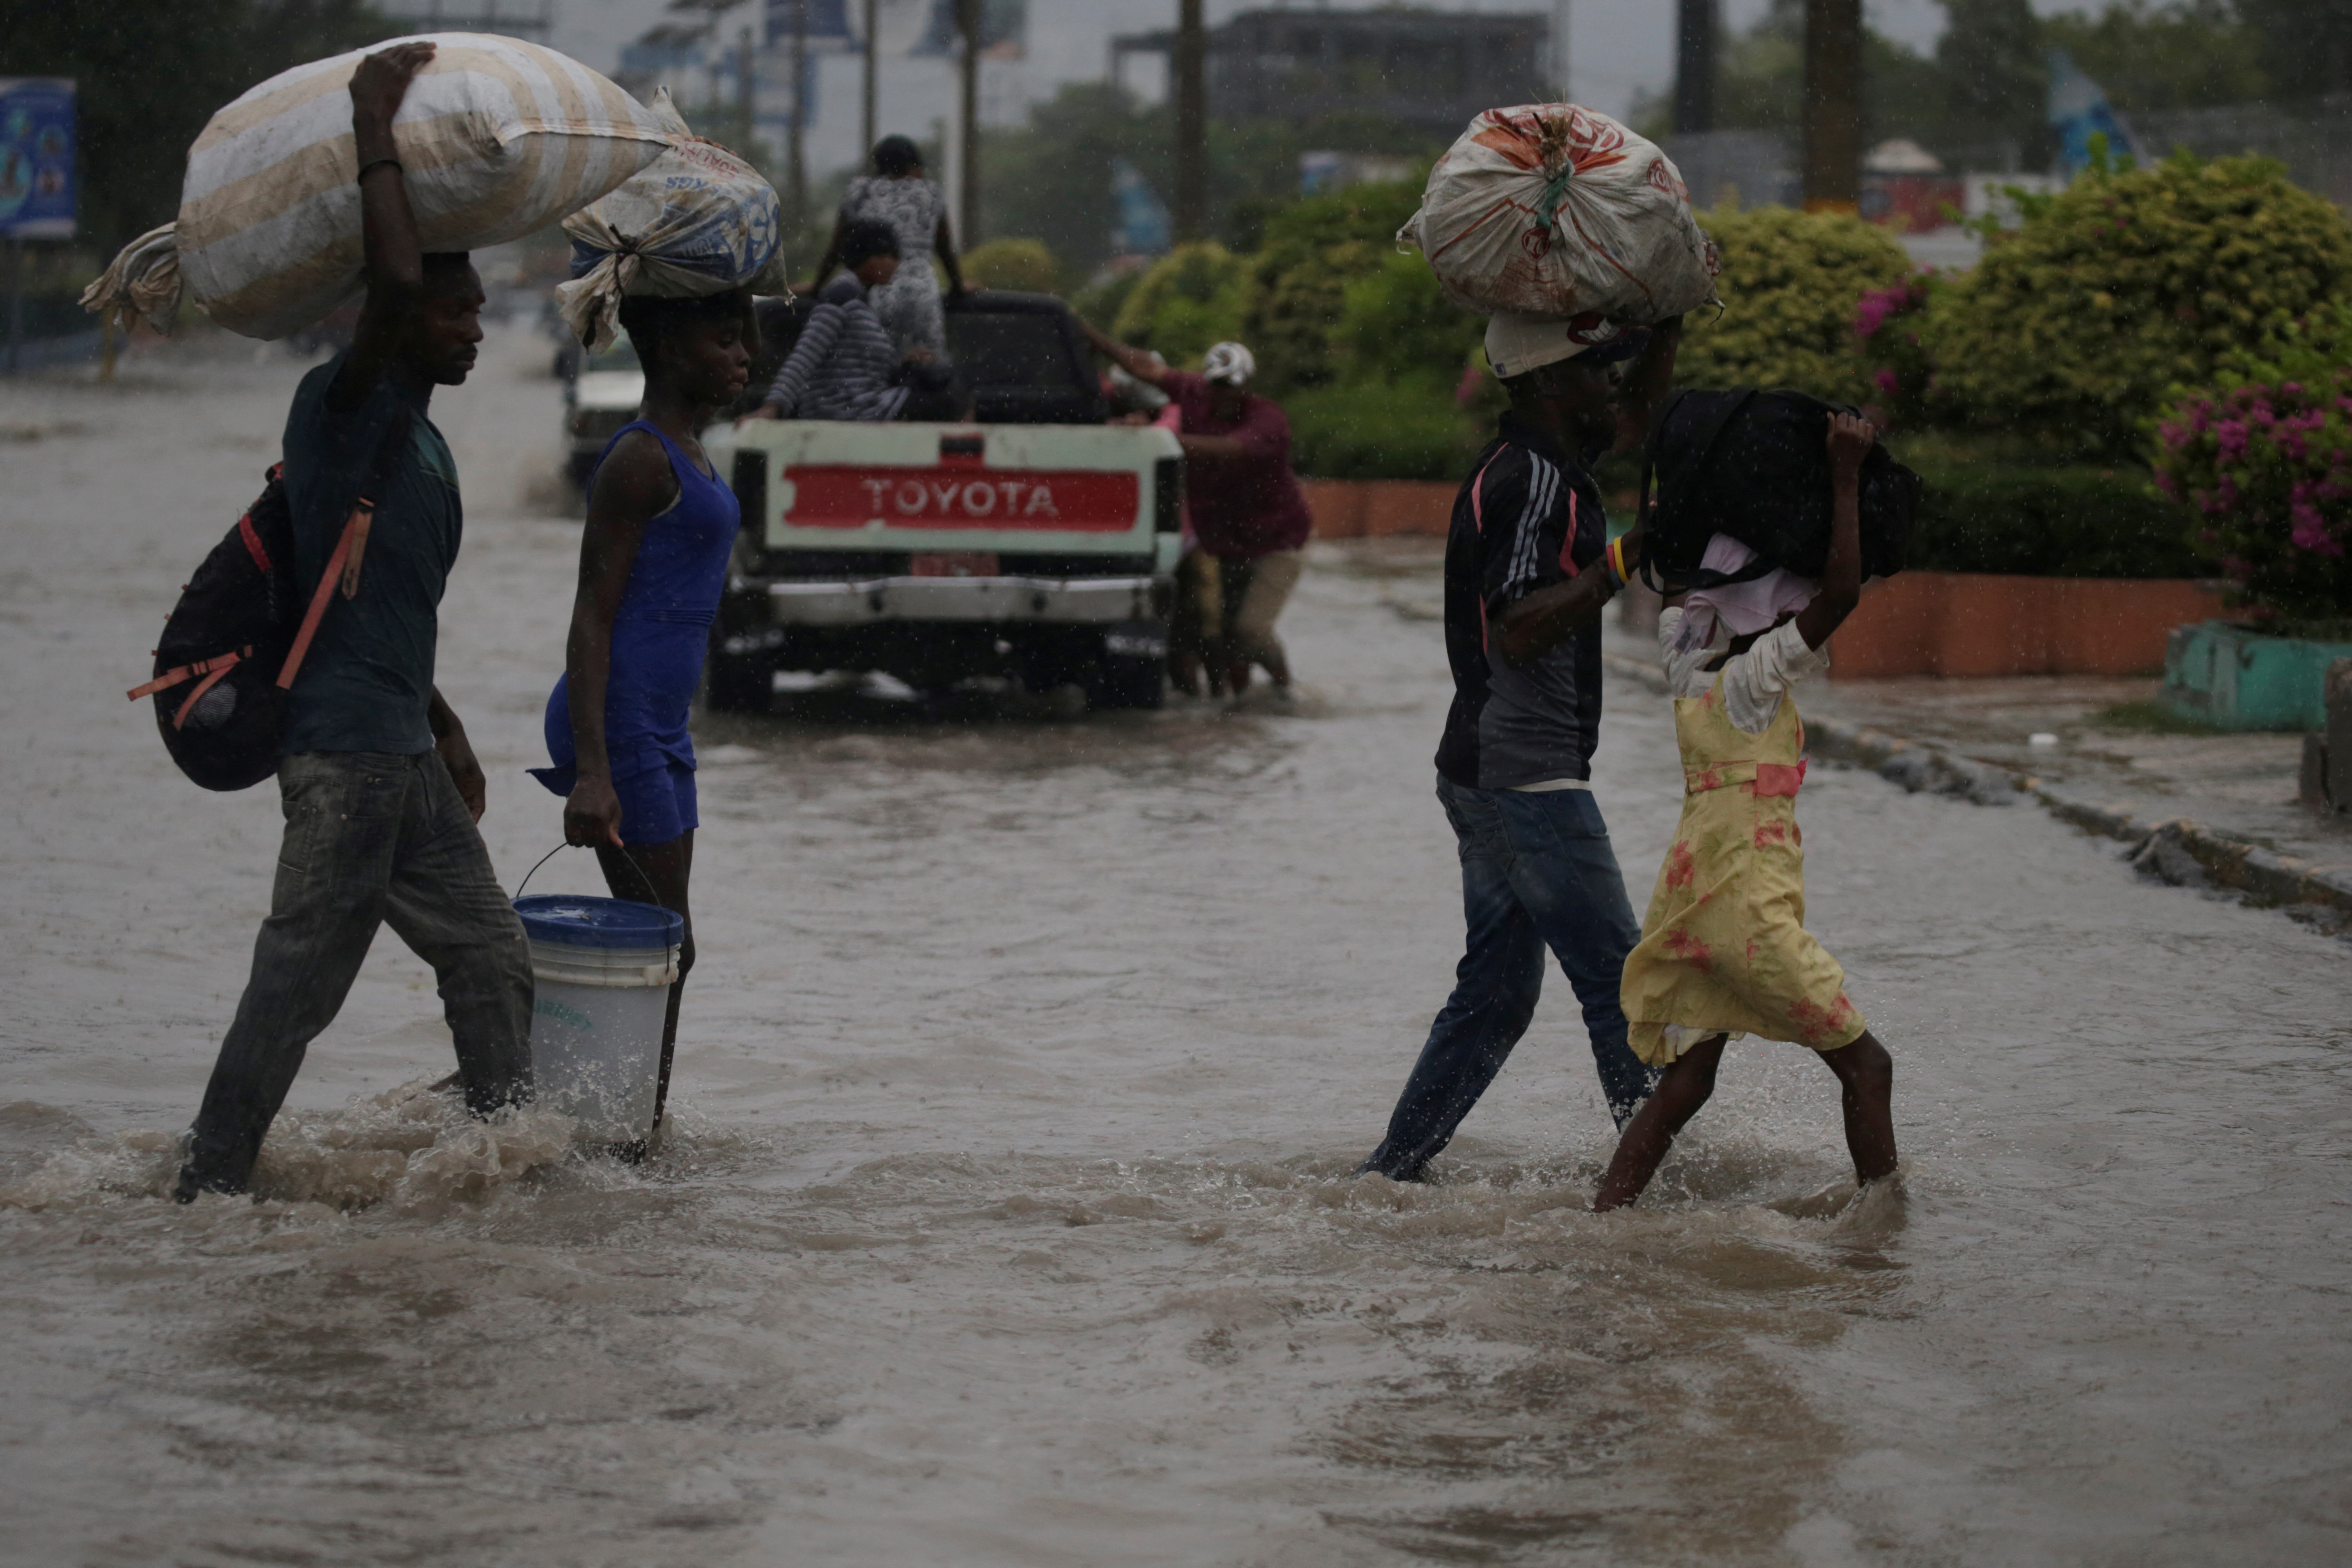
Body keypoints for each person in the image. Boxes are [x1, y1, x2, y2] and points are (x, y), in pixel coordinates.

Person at [173, 42, 533, 1200]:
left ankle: (499, 1164)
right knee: (298, 984)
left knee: (490, 955)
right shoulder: (340, 405)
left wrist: (446, 726)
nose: (475, 325)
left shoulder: (415, 434)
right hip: (340, 757)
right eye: (456, 308)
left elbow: (369, 602)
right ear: (403, 314)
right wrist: (376, 119)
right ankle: (208, 1184)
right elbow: (383, 284)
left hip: (399, 752)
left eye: (480, 305)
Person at [1355, 311, 1682, 1183]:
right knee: (1624, 988)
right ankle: (1657, 1197)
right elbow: (1521, 627)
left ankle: (1389, 1177)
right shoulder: (1533, 484)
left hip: (1479, 768)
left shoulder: (1543, 465)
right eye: (1594, 369)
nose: (1611, 383)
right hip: (1524, 775)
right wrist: (1625, 560)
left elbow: (1640, 416)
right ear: (1548, 384)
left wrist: (1669, 317)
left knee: (1496, 997)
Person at [1592, 413, 1898, 1212]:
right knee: (1868, 1068)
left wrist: (1680, 482)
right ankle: (1884, 1241)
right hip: (1747, 911)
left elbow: (1676, 576)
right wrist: (1839, 476)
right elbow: (1838, 593)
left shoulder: (1684, 663)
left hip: (1690, 903)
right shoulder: (1755, 677)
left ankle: (1604, 1221)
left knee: (1687, 1081)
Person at [529, 289, 755, 1151]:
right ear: (668, 350)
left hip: (662, 725)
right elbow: (590, 615)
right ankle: (624, 1137)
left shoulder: (692, 449)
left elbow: (749, 347)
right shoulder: (638, 459)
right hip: (616, 721)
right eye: (723, 342)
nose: (742, 358)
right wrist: (593, 770)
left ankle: (606, 1121)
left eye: (743, 341)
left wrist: (736, 282)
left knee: (668, 948)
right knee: (670, 950)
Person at [1079, 329, 1312, 696]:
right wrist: (1096, 340)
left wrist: (1154, 439)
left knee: (1250, 631)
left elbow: (1227, 450)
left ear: (1247, 386)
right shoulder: (1193, 393)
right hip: (1227, 543)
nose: (1224, 393)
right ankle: (1241, 715)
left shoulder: (1269, 421)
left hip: (1279, 543)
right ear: (1208, 382)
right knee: (1223, 638)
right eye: (1218, 385)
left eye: (1232, 386)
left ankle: (1284, 691)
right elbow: (1149, 369)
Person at [746, 222, 958, 423]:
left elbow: (863, 365)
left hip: (861, 405)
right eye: (888, 255)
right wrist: (774, 406)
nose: (895, 263)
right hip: (847, 408)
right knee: (952, 400)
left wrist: (903, 362)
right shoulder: (842, 295)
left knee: (942, 385)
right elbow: (807, 353)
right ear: (866, 257)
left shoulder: (862, 300)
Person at [802, 134, 966, 358]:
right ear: (914, 165)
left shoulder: (860, 192)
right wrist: (959, 287)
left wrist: (816, 287)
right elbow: (945, 250)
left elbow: (838, 248)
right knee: (926, 369)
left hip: (872, 294)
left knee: (874, 367)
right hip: (921, 295)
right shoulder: (931, 193)